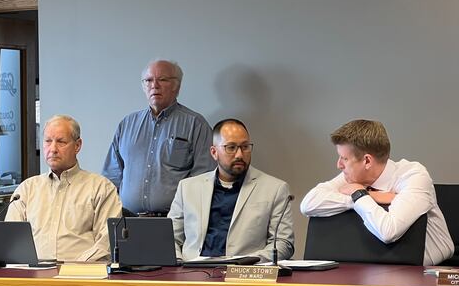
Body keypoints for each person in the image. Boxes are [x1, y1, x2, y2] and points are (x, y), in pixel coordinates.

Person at [300, 119, 454, 266]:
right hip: (374, 265)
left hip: (430, 272)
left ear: (367, 161)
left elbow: (388, 231)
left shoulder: (413, 176)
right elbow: (308, 205)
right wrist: (359, 197)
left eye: (344, 158)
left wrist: (360, 194)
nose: (339, 165)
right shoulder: (353, 177)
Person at [168, 119, 294, 262]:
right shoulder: (187, 188)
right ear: (214, 152)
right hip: (193, 273)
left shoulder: (275, 189)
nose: (239, 154)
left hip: (244, 276)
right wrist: (177, 264)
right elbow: (169, 238)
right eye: (231, 147)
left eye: (245, 147)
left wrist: (246, 263)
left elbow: (283, 244)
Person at [103, 59, 215, 216]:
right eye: (148, 80)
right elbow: (111, 177)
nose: (154, 85)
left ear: (177, 86)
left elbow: (204, 178)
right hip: (128, 222)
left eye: (162, 79)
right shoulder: (127, 124)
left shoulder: (196, 125)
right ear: (143, 86)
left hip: (174, 222)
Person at [6, 115, 122, 262]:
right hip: (33, 276)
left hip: (82, 278)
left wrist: (72, 269)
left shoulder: (101, 188)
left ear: (77, 145)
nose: (53, 149)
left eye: (61, 142)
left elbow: (107, 242)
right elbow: (11, 239)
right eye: (48, 141)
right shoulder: (26, 189)